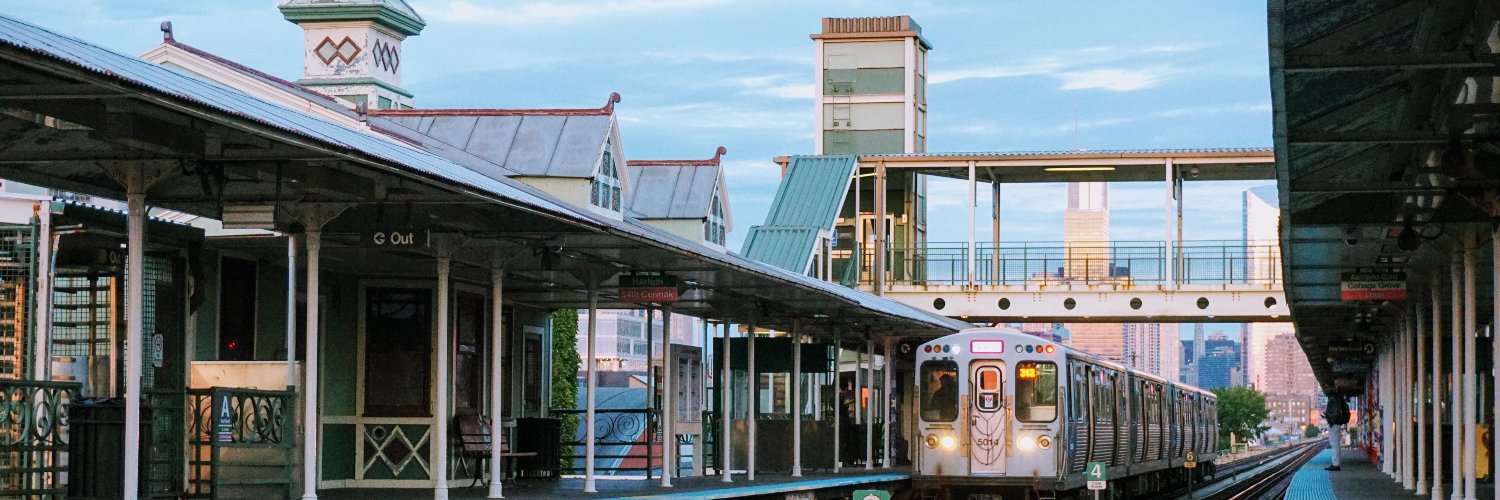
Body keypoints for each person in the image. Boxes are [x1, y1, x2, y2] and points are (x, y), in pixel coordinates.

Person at [1323, 394, 1350, 471]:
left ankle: (1335, 465)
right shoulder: (1340, 400)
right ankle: (1336, 463)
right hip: (1337, 423)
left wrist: (1330, 419)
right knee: (1335, 444)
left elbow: (1334, 413)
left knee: (1334, 444)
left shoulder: (1334, 400)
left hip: (1334, 424)